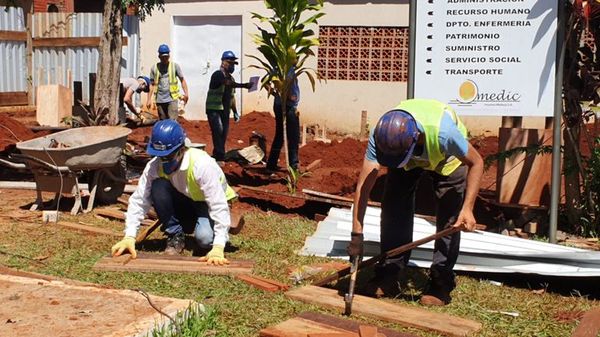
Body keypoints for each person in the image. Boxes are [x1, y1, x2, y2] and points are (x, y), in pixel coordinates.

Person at [347, 98, 483, 306]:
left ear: (416, 137)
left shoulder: (445, 134)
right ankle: (389, 273)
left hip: (447, 160)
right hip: (406, 156)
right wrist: (357, 234)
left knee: (450, 217)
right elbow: (364, 187)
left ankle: (441, 282)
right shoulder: (383, 134)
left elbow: (477, 162)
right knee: (394, 205)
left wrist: (468, 208)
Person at [111, 120, 238, 264]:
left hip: (207, 205)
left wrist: (218, 246)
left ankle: (214, 234)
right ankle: (175, 234)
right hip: (186, 201)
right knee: (158, 186)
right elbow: (140, 200)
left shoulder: (202, 165)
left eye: (168, 156)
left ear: (181, 149)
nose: (163, 161)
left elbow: (218, 204)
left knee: (205, 239)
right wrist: (129, 236)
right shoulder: (154, 166)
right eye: (160, 156)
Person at [205, 50, 253, 163]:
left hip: (224, 110)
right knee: (218, 130)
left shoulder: (231, 78)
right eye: (230, 63)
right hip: (214, 109)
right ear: (223, 62)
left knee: (224, 132)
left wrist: (235, 111)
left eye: (233, 64)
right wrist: (244, 85)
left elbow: (232, 97)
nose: (232, 65)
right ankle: (220, 156)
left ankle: (218, 153)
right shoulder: (218, 75)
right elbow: (227, 83)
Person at [265, 64, 301, 171]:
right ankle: (293, 166)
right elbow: (266, 83)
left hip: (279, 105)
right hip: (288, 106)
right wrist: (286, 96)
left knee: (280, 135)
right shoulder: (286, 70)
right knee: (293, 137)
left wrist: (275, 94)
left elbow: (265, 82)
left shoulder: (277, 68)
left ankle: (271, 165)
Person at [147, 44, 189, 120]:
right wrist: (149, 99)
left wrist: (186, 94)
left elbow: (182, 80)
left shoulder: (174, 66)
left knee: (172, 121)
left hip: (172, 99)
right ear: (159, 56)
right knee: (163, 121)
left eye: (166, 56)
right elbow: (152, 84)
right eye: (163, 57)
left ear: (169, 56)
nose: (164, 58)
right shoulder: (154, 68)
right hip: (159, 100)